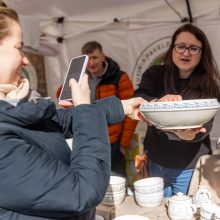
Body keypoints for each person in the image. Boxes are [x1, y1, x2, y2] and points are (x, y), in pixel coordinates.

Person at [0, 6, 144, 220]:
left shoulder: (15, 104)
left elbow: (59, 120)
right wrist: (83, 106)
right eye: (19, 48)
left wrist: (121, 107)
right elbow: (82, 192)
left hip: (108, 144)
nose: (26, 60)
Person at [134, 23, 220, 197]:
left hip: (191, 167)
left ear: (202, 53)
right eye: (180, 46)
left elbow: (205, 129)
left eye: (194, 48)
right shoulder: (155, 74)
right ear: (172, 48)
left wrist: (189, 135)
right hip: (156, 161)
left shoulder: (209, 86)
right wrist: (158, 102)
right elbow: (139, 96)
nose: (186, 53)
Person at [57, 41, 137, 177]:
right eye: (88, 59)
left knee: (116, 181)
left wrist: (123, 145)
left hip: (113, 143)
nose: (91, 63)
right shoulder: (80, 77)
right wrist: (71, 79)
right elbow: (61, 96)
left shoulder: (119, 78)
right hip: (87, 138)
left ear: (103, 56)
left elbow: (131, 112)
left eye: (95, 57)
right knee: (91, 180)